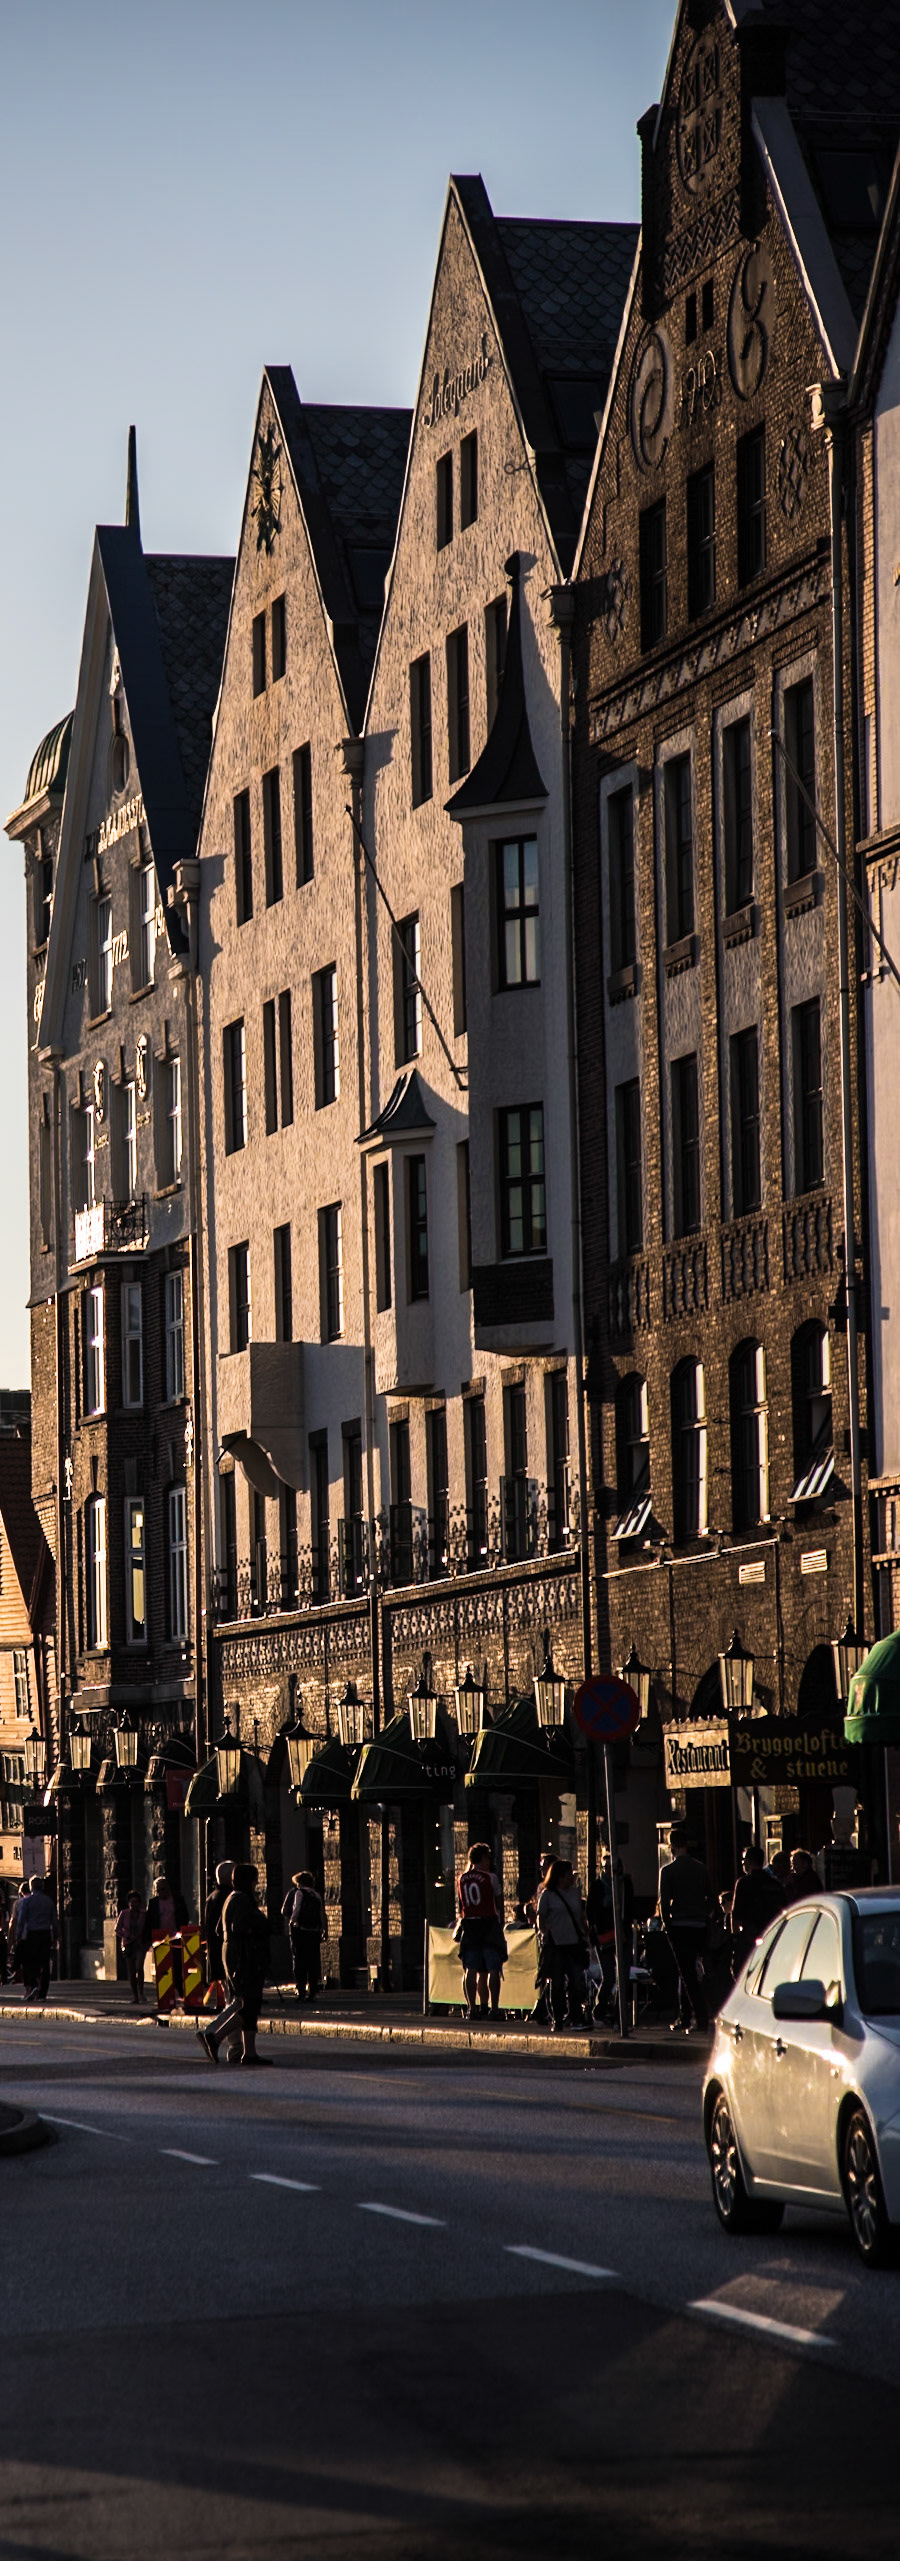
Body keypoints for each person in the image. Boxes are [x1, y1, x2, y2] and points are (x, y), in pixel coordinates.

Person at [199, 1862, 271, 2067]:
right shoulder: (240, 1899)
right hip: (244, 1958)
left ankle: (249, 2052)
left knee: (249, 2005)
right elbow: (239, 1927)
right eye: (255, 1880)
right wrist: (257, 1927)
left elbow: (219, 1929)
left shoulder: (232, 1897)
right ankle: (216, 2037)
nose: (256, 1883)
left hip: (236, 1956)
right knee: (249, 2004)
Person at [658, 1828, 714, 2033]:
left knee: (687, 1973)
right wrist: (704, 1915)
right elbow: (711, 1899)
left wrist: (667, 1925)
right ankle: (686, 2016)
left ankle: (700, 2017)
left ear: (671, 1846)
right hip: (699, 1925)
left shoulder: (668, 1871)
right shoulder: (701, 1869)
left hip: (679, 1926)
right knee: (691, 1972)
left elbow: (664, 1903)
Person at [537, 1858, 589, 2031]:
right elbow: (540, 1917)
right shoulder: (547, 1895)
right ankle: (558, 2018)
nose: (572, 1877)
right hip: (556, 1944)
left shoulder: (575, 1893)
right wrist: (545, 1933)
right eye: (569, 1874)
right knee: (557, 1983)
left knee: (576, 1981)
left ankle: (576, 2017)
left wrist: (585, 1932)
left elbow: (580, 1916)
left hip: (573, 1943)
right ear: (560, 1876)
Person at [457, 1842, 505, 2021]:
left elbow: (461, 1905)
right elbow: (498, 1903)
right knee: (493, 1968)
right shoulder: (490, 1878)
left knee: (470, 1968)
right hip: (488, 1923)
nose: (489, 1862)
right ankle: (495, 2008)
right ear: (483, 1858)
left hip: (470, 1924)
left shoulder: (461, 1879)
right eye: (488, 1858)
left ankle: (472, 2008)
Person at [586, 1852, 634, 2022]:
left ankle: (619, 2014)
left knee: (624, 1976)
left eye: (612, 1868)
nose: (609, 1871)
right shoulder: (597, 1885)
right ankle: (599, 2010)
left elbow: (630, 1907)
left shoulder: (625, 1884)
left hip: (622, 1934)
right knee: (609, 1977)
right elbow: (591, 1912)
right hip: (603, 1935)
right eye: (605, 1867)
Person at [729, 1844, 785, 1974]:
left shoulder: (744, 1883)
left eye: (744, 1860)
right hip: (771, 1936)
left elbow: (736, 1916)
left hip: (750, 1937)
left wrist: (735, 1940)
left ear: (749, 1861)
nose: (743, 1863)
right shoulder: (774, 1884)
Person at [282, 1870, 327, 2002]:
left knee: (299, 1961)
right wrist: (325, 1930)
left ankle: (301, 1990)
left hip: (301, 1931)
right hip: (314, 1932)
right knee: (313, 1961)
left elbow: (296, 1909)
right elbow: (322, 1913)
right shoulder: (316, 1894)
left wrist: (292, 1922)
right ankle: (312, 1990)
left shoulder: (299, 1893)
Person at [20, 1874, 58, 2004]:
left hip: (32, 1934)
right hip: (45, 1934)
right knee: (45, 1963)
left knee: (30, 1961)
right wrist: (56, 1936)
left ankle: (34, 1985)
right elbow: (54, 1920)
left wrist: (19, 1936)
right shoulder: (49, 1901)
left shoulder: (27, 1901)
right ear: (42, 1887)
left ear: (31, 1887)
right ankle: (43, 1994)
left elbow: (22, 1920)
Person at [116, 1890, 146, 2003]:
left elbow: (147, 1928)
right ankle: (135, 1996)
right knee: (132, 1971)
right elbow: (117, 1929)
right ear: (129, 1903)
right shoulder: (124, 1913)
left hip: (140, 1945)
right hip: (128, 1945)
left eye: (136, 1902)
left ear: (139, 1903)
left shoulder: (144, 1914)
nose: (134, 1904)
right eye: (132, 1902)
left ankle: (141, 1993)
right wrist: (127, 1936)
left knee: (139, 1968)